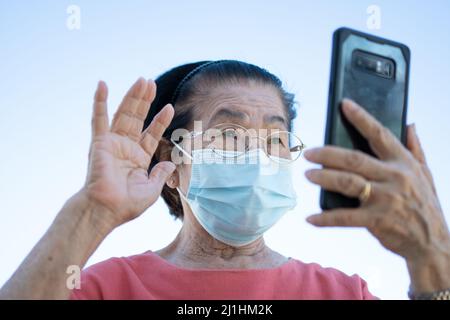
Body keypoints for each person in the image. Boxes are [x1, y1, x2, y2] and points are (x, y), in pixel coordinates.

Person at [1, 60, 449, 300]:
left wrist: (433, 258)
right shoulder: (101, 289)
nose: (257, 156)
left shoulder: (343, 294)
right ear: (170, 163)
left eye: (276, 138)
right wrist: (91, 212)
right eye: (229, 134)